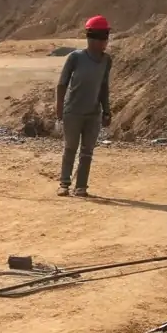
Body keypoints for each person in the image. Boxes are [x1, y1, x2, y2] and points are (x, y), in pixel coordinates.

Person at [56, 14, 112, 198]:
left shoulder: (106, 61)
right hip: (73, 111)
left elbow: (104, 86)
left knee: (87, 151)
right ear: (91, 39)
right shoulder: (75, 58)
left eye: (105, 38)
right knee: (70, 148)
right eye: (101, 38)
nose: (104, 42)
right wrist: (59, 110)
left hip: (93, 113)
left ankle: (81, 187)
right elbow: (62, 84)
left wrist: (106, 111)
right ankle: (64, 184)